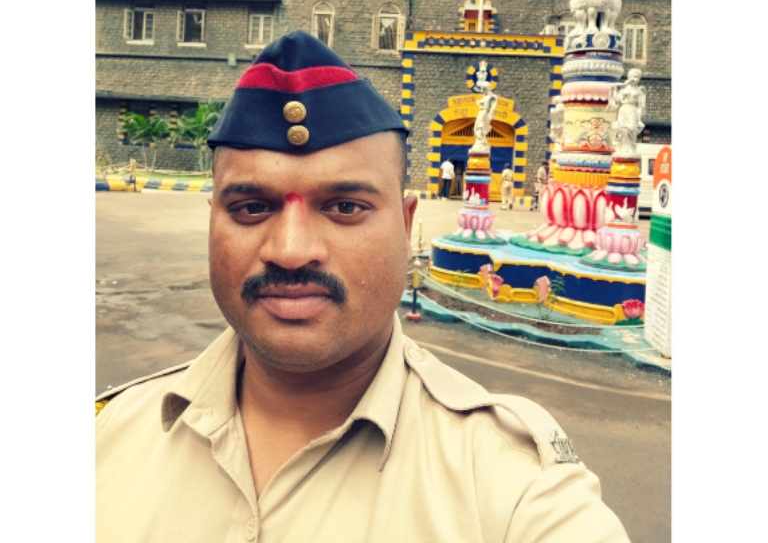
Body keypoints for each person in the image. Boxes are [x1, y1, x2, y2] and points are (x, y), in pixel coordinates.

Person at [96, 31, 629, 542]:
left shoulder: (512, 482)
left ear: (407, 227)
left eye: (345, 207)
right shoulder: (108, 435)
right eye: (252, 207)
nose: (291, 250)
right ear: (212, 221)